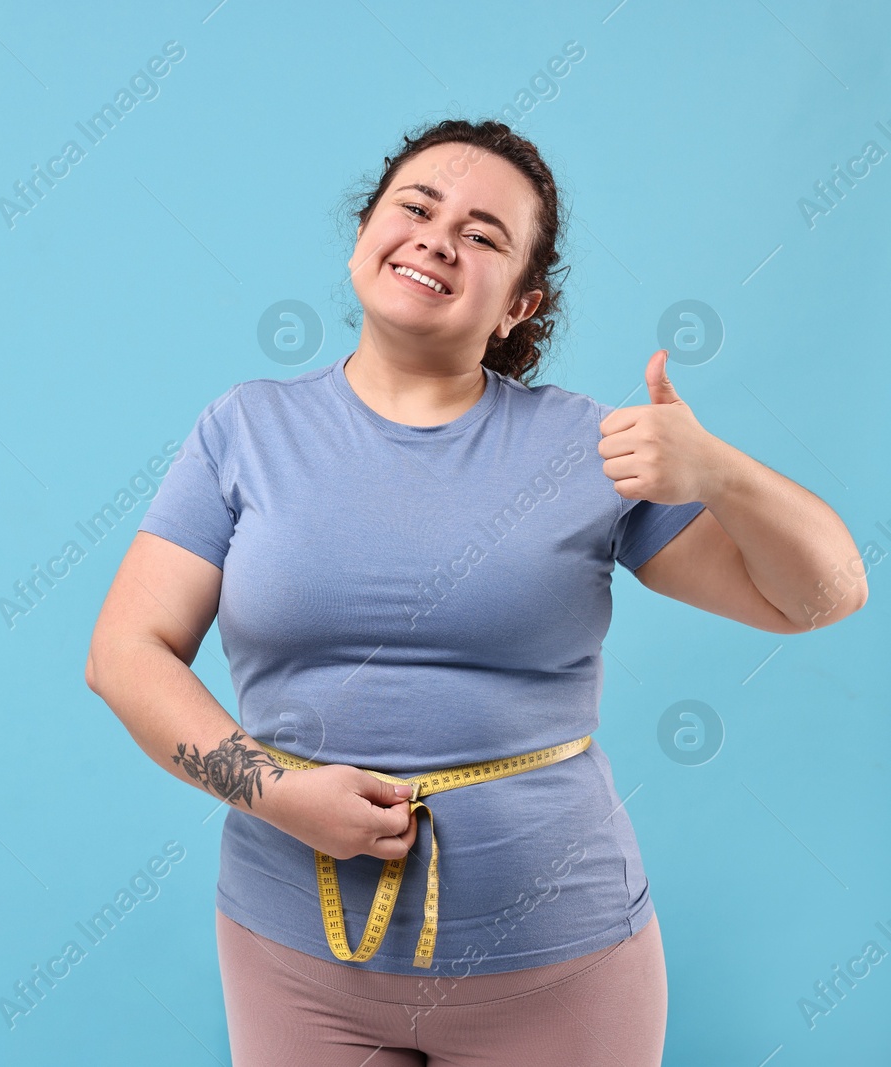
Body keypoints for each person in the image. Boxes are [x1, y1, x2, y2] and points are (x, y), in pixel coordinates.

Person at [84, 118, 867, 1066]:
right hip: (296, 961)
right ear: (364, 234)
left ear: (519, 305)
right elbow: (125, 653)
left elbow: (822, 595)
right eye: (416, 206)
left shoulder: (590, 448)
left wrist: (721, 473)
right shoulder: (243, 429)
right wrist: (282, 795)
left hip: (561, 970)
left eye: (484, 233)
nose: (437, 236)